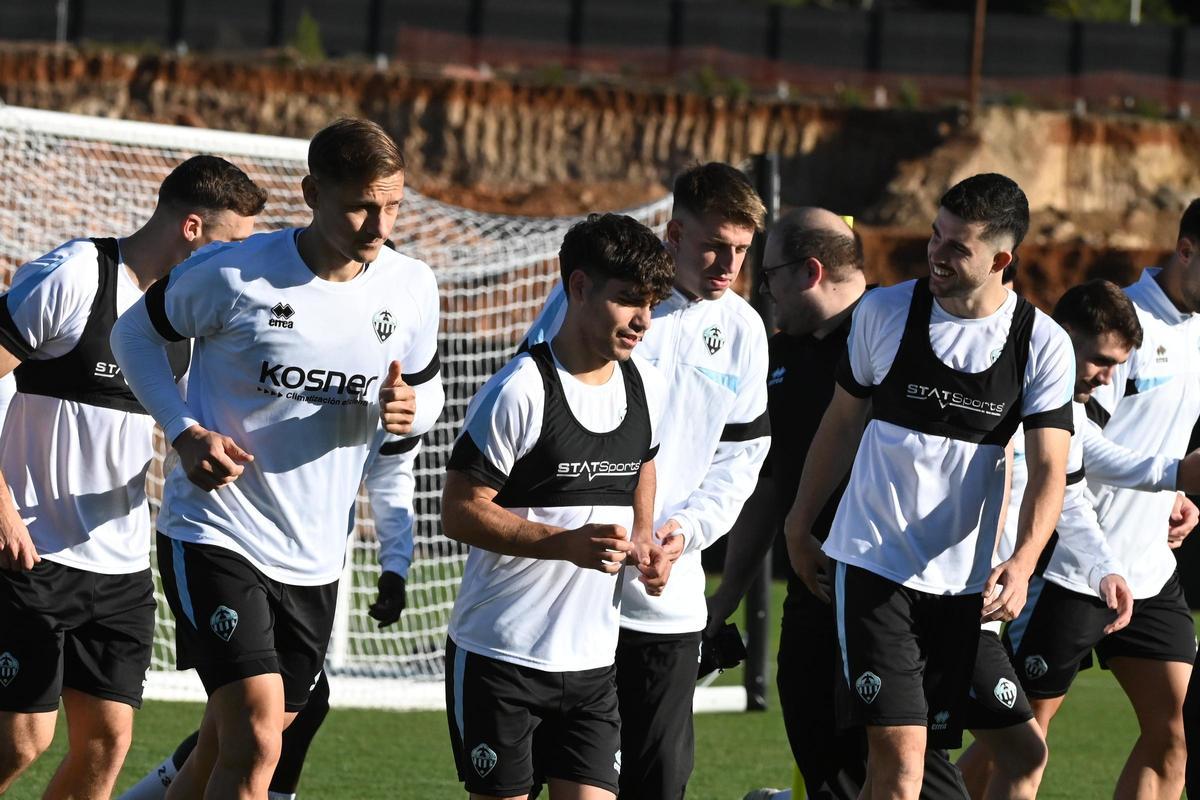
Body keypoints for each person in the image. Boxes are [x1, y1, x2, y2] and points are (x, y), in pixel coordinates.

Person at [111, 118, 444, 798]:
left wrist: (415, 410)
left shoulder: (412, 288)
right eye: (361, 204)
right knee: (259, 738)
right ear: (312, 192)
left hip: (317, 558)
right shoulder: (234, 273)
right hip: (216, 533)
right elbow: (132, 337)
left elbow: (427, 391)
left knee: (224, 747)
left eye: (394, 205)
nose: (379, 223)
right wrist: (182, 431)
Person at [785, 173, 1075, 800]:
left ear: (1001, 259)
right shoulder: (886, 313)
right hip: (875, 569)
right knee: (902, 770)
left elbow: (1051, 469)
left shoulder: (1041, 343)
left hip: (964, 588)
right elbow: (839, 425)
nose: (936, 254)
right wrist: (799, 523)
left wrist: (1023, 563)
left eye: (956, 247)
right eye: (936, 236)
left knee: (1024, 753)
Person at [0, 155, 264, 799]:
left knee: (107, 741)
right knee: (22, 740)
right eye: (234, 244)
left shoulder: (188, 318)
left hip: (120, 568)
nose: (241, 267)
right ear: (193, 229)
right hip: (29, 553)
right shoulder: (72, 277)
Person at [524, 162, 771, 799]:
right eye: (715, 244)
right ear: (675, 233)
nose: (728, 264)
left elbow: (741, 459)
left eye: (741, 250)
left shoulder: (743, 330)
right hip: (577, 579)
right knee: (566, 778)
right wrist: (585, 533)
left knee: (659, 780)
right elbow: (542, 415)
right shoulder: (600, 302)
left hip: (669, 586)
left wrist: (683, 532)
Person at [442, 212, 673, 800]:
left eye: (650, 302)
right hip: (501, 658)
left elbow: (642, 462)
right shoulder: (520, 389)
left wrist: (643, 537)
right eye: (627, 300)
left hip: (593, 665)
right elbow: (460, 511)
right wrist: (563, 545)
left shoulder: (640, 384)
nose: (643, 319)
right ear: (578, 288)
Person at [1006, 201, 1200, 800]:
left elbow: (1165, 438)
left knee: (1176, 733)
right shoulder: (1119, 325)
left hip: (1150, 571)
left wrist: (1179, 497)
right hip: (1074, 569)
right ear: (1187, 250)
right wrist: (1172, 474)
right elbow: (1073, 450)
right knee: (1019, 746)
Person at [118, 436, 428, 800]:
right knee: (254, 731)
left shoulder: (415, 390)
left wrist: (395, 563)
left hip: (311, 564)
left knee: (245, 730)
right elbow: (163, 378)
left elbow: (394, 466)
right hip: (222, 533)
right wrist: (182, 428)